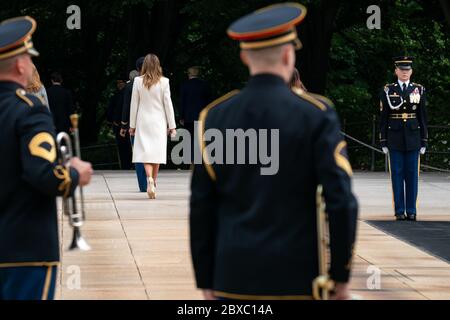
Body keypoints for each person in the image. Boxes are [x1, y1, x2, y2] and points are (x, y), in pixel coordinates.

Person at [190, 3, 358, 300]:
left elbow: (202, 206)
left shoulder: (213, 117)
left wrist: (206, 281)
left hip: (232, 280)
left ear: (244, 57)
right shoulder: (316, 114)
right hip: (296, 280)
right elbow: (341, 201)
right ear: (287, 54)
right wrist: (340, 278)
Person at [0, 16, 93, 300]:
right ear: (19, 64)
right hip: (24, 251)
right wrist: (75, 173)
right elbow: (42, 174)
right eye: (29, 58)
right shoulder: (30, 110)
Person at [379, 56, 428, 221]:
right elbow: (383, 117)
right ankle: (400, 210)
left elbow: (422, 116)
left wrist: (424, 140)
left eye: (407, 70)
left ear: (411, 71)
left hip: (414, 137)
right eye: (402, 70)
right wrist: (383, 140)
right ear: (396, 71)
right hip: (394, 137)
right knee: (397, 175)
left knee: (412, 175)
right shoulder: (388, 90)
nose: (405, 72)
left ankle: (412, 210)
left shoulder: (419, 90)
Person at [129, 54, 177, 199]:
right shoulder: (164, 82)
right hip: (159, 122)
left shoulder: (137, 81)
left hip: (142, 121)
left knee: (145, 153)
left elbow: (134, 105)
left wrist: (132, 125)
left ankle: (149, 178)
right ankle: (153, 182)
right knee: (157, 154)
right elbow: (168, 105)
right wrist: (172, 125)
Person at [122, 60, 147, 192]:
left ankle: (143, 185)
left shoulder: (131, 85)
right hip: (151, 123)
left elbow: (127, 106)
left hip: (136, 123)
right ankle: (151, 181)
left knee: (138, 154)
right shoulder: (157, 82)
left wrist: (124, 124)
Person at [106, 77, 132, 169]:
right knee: (124, 147)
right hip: (120, 124)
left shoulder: (125, 94)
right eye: (118, 83)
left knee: (127, 147)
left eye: (121, 82)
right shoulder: (117, 95)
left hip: (125, 124)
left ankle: (127, 165)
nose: (119, 84)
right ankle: (126, 165)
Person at [180, 66, 211, 140]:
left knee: (188, 140)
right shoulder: (204, 85)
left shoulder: (184, 85)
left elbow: (182, 102)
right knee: (199, 140)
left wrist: (181, 117)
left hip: (188, 117)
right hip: (201, 116)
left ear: (189, 74)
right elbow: (208, 101)